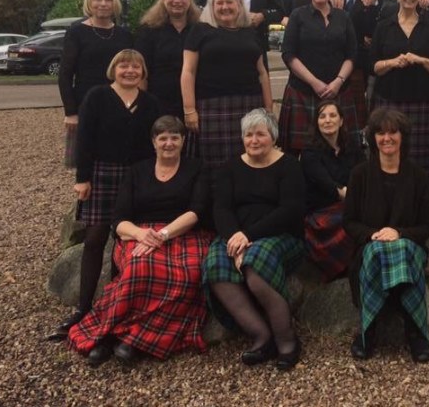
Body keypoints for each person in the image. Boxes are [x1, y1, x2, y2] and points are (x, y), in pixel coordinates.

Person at [67, 116, 211, 366]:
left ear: (183, 141)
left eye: (174, 138)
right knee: (138, 269)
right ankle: (109, 335)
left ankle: (132, 339)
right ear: (153, 142)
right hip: (139, 232)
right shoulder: (137, 171)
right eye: (163, 138)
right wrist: (140, 234)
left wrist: (162, 235)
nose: (169, 143)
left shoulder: (196, 168)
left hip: (182, 234)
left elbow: (196, 212)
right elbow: (119, 219)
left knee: (184, 276)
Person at [50, 50, 160, 341]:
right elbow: (84, 138)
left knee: (126, 239)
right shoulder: (97, 96)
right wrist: (82, 178)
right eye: (124, 66)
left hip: (136, 176)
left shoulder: (150, 103)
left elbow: (154, 146)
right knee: (96, 238)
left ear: (142, 72)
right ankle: (83, 307)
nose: (130, 71)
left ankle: (115, 305)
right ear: (114, 69)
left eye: (136, 67)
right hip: (102, 174)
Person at [202, 109, 306, 371]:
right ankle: (261, 336)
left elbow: (290, 210)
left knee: (256, 262)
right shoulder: (230, 167)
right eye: (249, 135)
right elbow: (221, 208)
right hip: (237, 235)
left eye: (260, 134)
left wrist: (248, 237)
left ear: (273, 136)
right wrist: (235, 237)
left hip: (281, 235)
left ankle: (286, 339)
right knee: (215, 263)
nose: (254, 140)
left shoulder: (289, 165)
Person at [343, 108, 429, 362]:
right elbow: (349, 222)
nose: (387, 138)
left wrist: (399, 233)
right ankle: (368, 331)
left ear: (403, 136)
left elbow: (427, 227)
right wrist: (374, 235)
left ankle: (415, 332)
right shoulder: (359, 174)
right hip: (369, 248)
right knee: (378, 252)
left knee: (402, 249)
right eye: (380, 133)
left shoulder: (418, 175)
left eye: (393, 132)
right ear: (373, 138)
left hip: (408, 246)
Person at [181, 0, 273, 169]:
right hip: (212, 108)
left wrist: (269, 109)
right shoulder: (200, 31)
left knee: (250, 160)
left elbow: (263, 73)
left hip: (251, 106)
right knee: (215, 167)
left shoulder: (251, 33)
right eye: (219, 3)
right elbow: (188, 71)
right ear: (211, 7)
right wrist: (189, 109)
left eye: (229, 2)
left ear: (239, 5)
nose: (225, 7)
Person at [371, 0, 429, 185]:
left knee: (420, 165)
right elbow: (374, 66)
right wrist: (392, 62)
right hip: (390, 102)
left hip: (423, 102)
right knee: (390, 155)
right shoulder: (384, 26)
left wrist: (420, 59)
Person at [279, 0, 359, 155]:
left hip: (338, 92)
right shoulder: (298, 16)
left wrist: (338, 81)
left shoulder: (343, 17)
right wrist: (314, 82)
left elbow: (351, 54)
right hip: (303, 91)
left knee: (341, 147)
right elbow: (288, 54)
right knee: (299, 150)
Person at [58, 0, 133, 167]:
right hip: (86, 102)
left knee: (118, 155)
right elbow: (65, 75)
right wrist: (70, 112)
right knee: (87, 159)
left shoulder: (125, 35)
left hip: (119, 101)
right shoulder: (76, 32)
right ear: (89, 2)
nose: (103, 3)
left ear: (114, 2)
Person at [301, 99, 365, 281]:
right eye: (322, 116)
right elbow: (330, 186)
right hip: (320, 213)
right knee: (358, 221)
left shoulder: (352, 145)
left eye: (332, 115)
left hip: (347, 204)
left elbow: (362, 175)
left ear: (342, 120)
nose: (327, 120)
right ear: (316, 122)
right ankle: (351, 269)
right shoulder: (309, 152)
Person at [136, 0, 202, 119]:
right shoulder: (148, 30)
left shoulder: (201, 29)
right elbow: (141, 72)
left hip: (194, 104)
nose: (177, 0)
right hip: (158, 103)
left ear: (190, 0)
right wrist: (141, 104)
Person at [334, 0, 382, 126]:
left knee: (353, 117)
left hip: (357, 65)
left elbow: (370, 33)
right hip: (330, 63)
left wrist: (373, 5)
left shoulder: (371, 0)